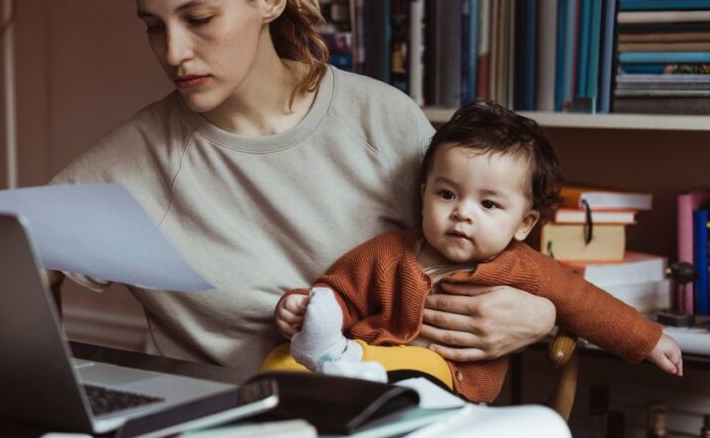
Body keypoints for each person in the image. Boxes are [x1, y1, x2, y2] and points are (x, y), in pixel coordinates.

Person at [0, 0, 557, 372]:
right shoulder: (136, 158)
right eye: (154, 26)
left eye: (199, 18)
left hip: (388, 412)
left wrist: (541, 316)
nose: (174, 51)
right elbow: (10, 271)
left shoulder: (381, 119)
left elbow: (487, 245)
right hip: (216, 421)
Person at [271, 101, 683, 402]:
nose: (462, 213)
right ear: (424, 194)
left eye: (488, 204)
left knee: (419, 367)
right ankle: (333, 370)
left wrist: (647, 340)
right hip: (364, 364)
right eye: (447, 194)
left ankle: (347, 376)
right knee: (278, 362)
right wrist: (305, 308)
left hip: (446, 385)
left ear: (524, 223)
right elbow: (340, 293)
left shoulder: (524, 268)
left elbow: (585, 303)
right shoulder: (387, 253)